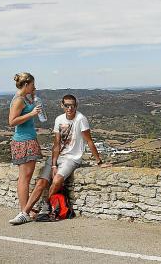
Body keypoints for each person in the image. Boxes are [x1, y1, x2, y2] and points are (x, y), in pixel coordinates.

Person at [10, 94, 103, 225]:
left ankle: (45, 207)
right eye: (67, 105)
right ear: (62, 105)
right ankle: (24, 213)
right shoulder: (59, 119)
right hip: (57, 157)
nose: (70, 108)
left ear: (76, 106)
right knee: (41, 182)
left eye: (72, 105)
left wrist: (99, 162)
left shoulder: (81, 119)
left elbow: (89, 141)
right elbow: (56, 144)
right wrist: (53, 165)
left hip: (72, 158)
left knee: (58, 179)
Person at [8, 72, 43, 224]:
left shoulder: (23, 98)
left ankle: (25, 211)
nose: (34, 86)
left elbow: (31, 101)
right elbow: (12, 121)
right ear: (26, 84)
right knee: (25, 178)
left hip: (26, 140)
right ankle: (24, 212)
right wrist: (32, 113)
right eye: (32, 84)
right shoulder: (18, 100)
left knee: (24, 178)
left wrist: (33, 95)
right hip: (25, 142)